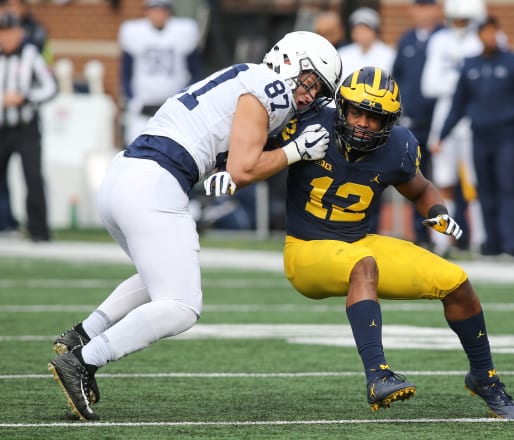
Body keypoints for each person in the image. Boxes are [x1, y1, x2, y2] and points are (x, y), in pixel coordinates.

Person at [47, 31, 342, 421]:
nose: (308, 96)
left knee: (159, 279)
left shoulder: (247, 76)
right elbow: (244, 165)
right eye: (310, 82)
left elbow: (227, 154)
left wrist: (227, 171)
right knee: (182, 306)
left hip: (125, 174)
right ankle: (83, 361)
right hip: (154, 182)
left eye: (317, 91)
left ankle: (81, 335)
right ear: (290, 61)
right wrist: (296, 150)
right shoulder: (271, 86)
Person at [280, 66, 514, 419]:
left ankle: (484, 377)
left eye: (373, 117)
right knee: (364, 266)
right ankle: (377, 375)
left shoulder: (398, 147)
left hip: (358, 241)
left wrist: (437, 211)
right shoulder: (309, 125)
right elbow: (258, 152)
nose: (362, 122)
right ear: (342, 108)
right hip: (305, 248)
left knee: (456, 283)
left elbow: (420, 187)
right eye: (356, 112)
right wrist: (231, 169)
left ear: (388, 122)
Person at [439, 16, 514, 257]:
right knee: (484, 188)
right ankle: (492, 242)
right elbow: (458, 105)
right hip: (480, 136)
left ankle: (511, 242)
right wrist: (441, 136)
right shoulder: (470, 65)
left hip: (507, 135)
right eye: (484, 32)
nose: (489, 37)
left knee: (508, 186)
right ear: (478, 36)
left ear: (498, 32)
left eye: (492, 32)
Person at [421, 0, 487, 256]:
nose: (461, 25)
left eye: (466, 20)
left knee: (475, 181)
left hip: (473, 120)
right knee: (443, 180)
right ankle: (441, 239)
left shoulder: (482, 40)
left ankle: (480, 238)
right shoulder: (439, 41)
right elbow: (429, 85)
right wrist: (462, 86)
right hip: (444, 119)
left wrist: (463, 86)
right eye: (457, 19)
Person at [338, 7, 396, 233]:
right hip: (348, 125)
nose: (362, 33)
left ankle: (372, 229)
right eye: (358, 28)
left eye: (367, 28)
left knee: (374, 177)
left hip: (376, 124)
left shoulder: (388, 54)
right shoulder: (344, 54)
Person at [0, 12, 56, 242]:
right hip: (2, 128)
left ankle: (39, 231)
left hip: (26, 127)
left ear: (19, 33)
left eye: (9, 32)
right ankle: (5, 225)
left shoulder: (31, 55)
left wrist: (24, 97)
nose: (6, 37)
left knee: (32, 178)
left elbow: (51, 88)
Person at [391, 0, 443, 248]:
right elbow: (397, 79)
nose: (423, 12)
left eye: (427, 6)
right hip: (413, 121)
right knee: (414, 177)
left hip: (441, 122)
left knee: (443, 179)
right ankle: (420, 234)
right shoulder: (407, 40)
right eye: (419, 6)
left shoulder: (445, 38)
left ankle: (447, 235)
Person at [119, 0, 202, 146]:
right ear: (147, 11)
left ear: (169, 11)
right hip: (142, 108)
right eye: (154, 9)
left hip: (174, 109)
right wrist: (131, 98)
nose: (158, 14)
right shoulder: (133, 32)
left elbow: (194, 71)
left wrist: (185, 100)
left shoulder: (184, 31)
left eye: (162, 9)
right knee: (137, 150)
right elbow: (126, 72)